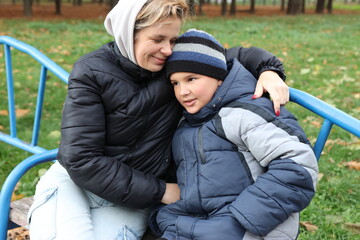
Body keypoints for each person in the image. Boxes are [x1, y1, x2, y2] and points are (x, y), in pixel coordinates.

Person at [28, 1, 290, 239]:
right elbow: (81, 159)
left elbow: (230, 56)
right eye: (157, 39)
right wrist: (162, 192)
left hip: (132, 199)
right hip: (76, 184)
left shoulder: (174, 65)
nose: (167, 50)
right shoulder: (92, 71)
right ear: (128, 35)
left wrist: (268, 70)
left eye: (173, 40)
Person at [151, 29, 319, 240]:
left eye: (191, 79)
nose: (182, 91)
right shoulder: (186, 124)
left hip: (253, 228)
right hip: (200, 225)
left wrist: (239, 221)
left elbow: (299, 164)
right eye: (175, 83)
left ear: (218, 78)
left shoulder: (243, 114)